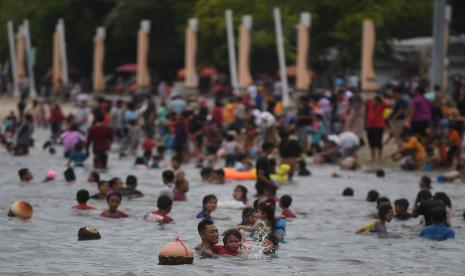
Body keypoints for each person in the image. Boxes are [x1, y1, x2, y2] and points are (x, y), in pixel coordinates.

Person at [366, 95, 389, 164]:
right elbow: (366, 100)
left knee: (378, 142)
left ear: (378, 101)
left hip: (379, 127)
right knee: (371, 142)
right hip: (370, 126)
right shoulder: (370, 104)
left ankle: (379, 158)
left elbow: (390, 105)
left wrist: (382, 99)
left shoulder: (381, 106)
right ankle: (373, 158)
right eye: (373, 100)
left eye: (375, 100)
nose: (374, 101)